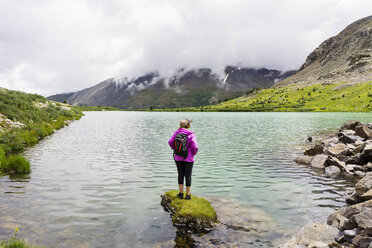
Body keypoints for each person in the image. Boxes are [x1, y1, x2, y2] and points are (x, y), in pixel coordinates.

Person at [168, 118, 199, 200]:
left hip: (178, 157)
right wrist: (193, 153)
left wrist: (175, 149)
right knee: (188, 176)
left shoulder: (176, 133)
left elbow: (170, 142)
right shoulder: (191, 134)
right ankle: (188, 195)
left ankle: (181, 193)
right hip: (188, 158)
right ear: (188, 125)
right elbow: (195, 147)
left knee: (180, 174)